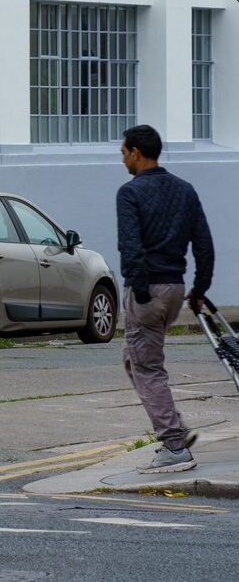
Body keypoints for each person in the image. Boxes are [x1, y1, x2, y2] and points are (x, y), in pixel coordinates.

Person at [116, 124, 216, 475]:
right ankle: (174, 425)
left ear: (137, 153)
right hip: (174, 288)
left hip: (147, 291)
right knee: (134, 359)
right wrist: (199, 290)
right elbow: (203, 244)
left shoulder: (129, 193)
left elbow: (130, 246)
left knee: (147, 366)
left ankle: (174, 445)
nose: (123, 158)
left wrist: (140, 290)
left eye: (124, 152)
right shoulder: (184, 190)